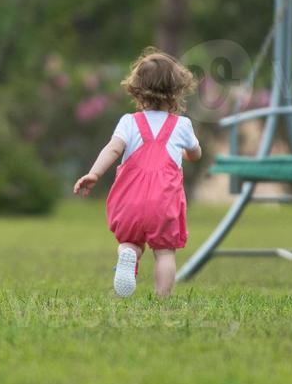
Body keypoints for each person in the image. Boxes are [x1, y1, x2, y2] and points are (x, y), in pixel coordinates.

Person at [73, 49, 202, 298]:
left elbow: (112, 149)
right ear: (177, 90)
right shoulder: (182, 125)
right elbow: (196, 152)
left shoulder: (129, 122)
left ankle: (128, 255)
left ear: (137, 89)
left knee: (130, 241)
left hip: (130, 198)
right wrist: (187, 155)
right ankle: (162, 297)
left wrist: (94, 174)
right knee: (164, 251)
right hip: (163, 201)